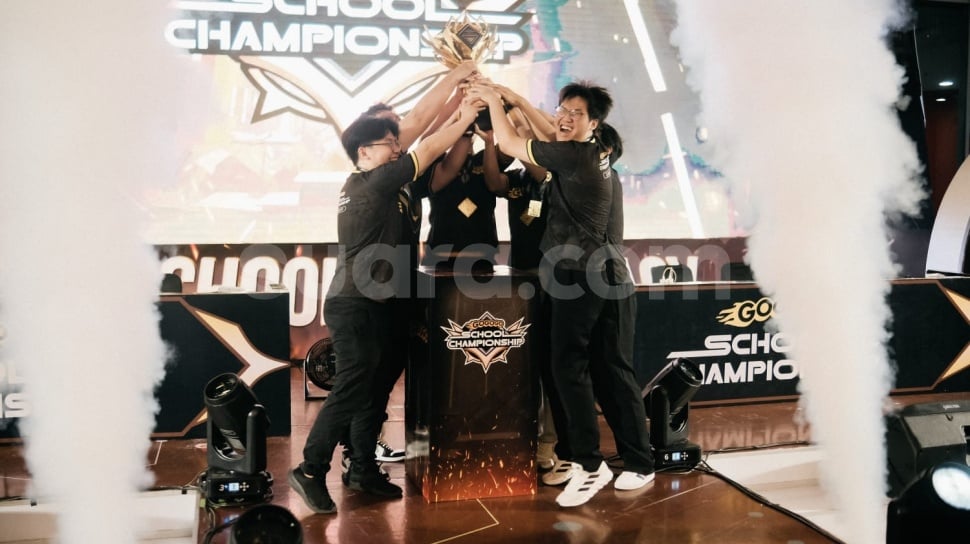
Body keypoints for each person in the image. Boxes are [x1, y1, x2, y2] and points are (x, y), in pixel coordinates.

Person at [289, 97, 483, 514]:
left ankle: (362, 468)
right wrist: (464, 109)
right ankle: (310, 469)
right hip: (357, 304)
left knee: (376, 389)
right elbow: (427, 145)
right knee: (352, 387)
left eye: (398, 141)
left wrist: (462, 119)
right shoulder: (370, 182)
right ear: (365, 151)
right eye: (390, 142)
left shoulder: (396, 185)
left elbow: (438, 157)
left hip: (388, 303)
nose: (398, 147)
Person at [468, 81, 655, 508]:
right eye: (562, 109)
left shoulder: (574, 158)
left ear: (595, 124)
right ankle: (637, 462)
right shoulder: (595, 157)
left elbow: (515, 142)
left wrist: (495, 101)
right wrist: (517, 101)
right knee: (610, 373)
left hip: (581, 277)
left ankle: (589, 464)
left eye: (576, 113)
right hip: (607, 278)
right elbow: (549, 132)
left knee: (568, 368)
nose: (564, 118)